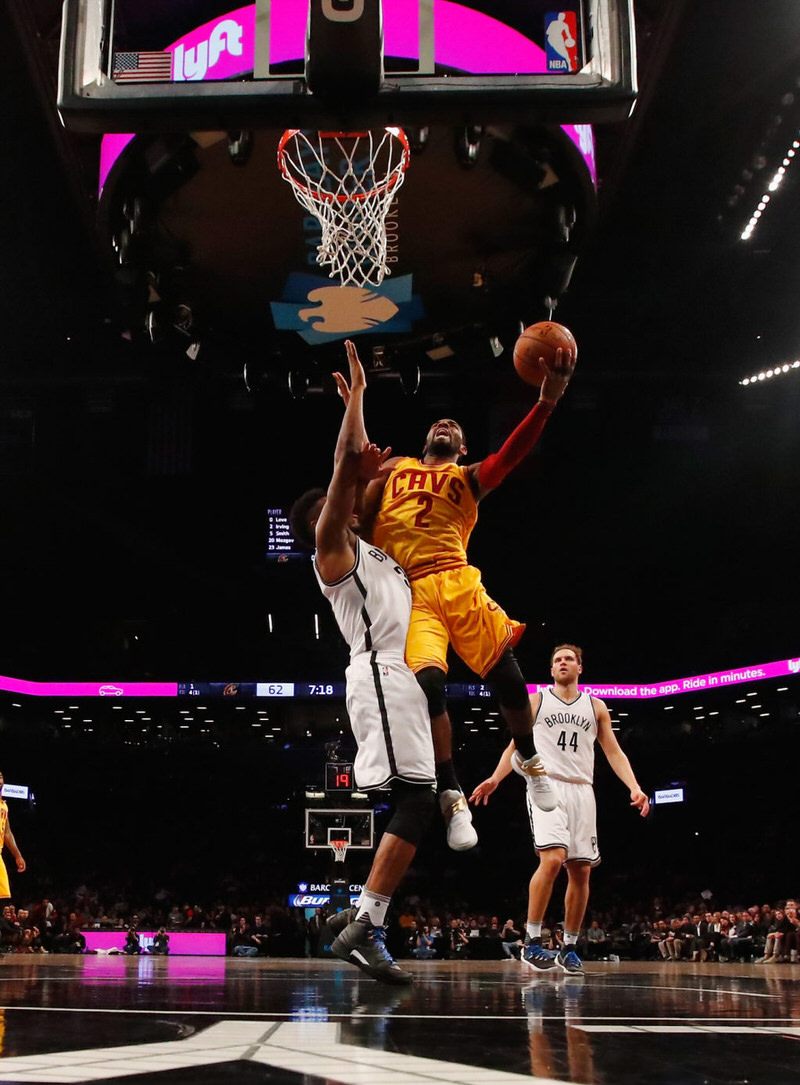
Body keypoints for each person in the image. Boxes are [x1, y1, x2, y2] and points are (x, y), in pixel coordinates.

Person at [358, 351, 576, 850]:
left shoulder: (469, 478)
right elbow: (358, 518)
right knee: (430, 685)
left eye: (454, 426)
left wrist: (546, 401)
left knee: (509, 679)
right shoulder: (394, 467)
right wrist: (360, 471)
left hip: (456, 581)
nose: (445, 424)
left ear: (462, 446)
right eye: (439, 421)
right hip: (406, 589)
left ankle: (529, 757)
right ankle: (450, 790)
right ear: (426, 439)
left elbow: (510, 456)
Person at [289, 341, 437, 985]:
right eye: (338, 502)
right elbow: (346, 463)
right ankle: (365, 926)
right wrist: (357, 401)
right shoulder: (332, 554)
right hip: (377, 671)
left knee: (417, 801)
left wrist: (364, 452)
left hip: (393, 675)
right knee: (417, 801)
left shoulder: (371, 547)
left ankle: (359, 920)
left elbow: (360, 468)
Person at [470, 644, 649, 975]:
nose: (562, 663)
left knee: (580, 870)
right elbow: (516, 744)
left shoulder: (596, 707)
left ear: (580, 667)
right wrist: (496, 778)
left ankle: (568, 946)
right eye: (557, 660)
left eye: (569, 659)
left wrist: (634, 787)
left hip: (583, 789)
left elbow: (613, 751)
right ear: (551, 670)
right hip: (546, 785)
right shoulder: (537, 700)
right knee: (552, 859)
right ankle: (533, 941)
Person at [0, 771, 26, 902]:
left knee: (3, 897)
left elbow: (7, 832)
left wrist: (18, 855)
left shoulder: (4, 806)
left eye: (0, 776)